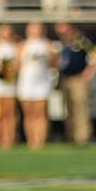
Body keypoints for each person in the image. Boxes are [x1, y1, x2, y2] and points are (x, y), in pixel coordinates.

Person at [54, 22, 96, 145]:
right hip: (65, 79)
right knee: (68, 109)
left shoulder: (82, 40)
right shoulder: (63, 43)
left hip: (78, 79)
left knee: (80, 108)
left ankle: (83, 137)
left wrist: (88, 73)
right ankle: (71, 136)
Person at [17, 21, 57, 150]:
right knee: (29, 114)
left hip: (42, 82)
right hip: (26, 83)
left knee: (41, 113)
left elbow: (54, 64)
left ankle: (41, 140)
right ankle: (31, 140)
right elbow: (17, 65)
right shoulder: (23, 45)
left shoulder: (48, 44)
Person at [0, 24, 19, 149]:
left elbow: (17, 65)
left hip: (10, 85)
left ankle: (11, 138)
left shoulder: (15, 48)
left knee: (10, 113)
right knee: (0, 114)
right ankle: (1, 139)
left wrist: (10, 70)